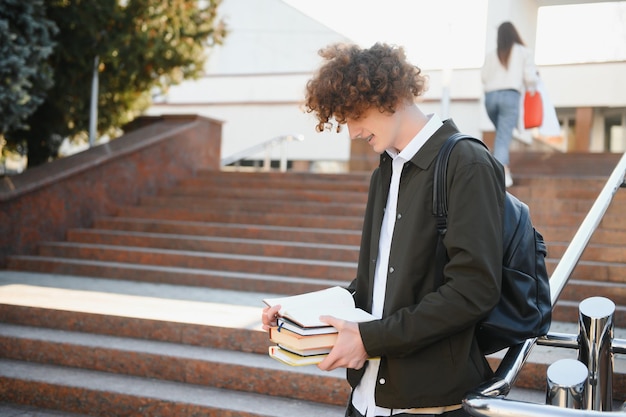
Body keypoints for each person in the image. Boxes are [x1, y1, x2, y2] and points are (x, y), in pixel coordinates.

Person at [262, 42, 505, 417]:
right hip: (366, 398)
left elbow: (474, 290)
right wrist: (300, 318)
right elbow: (374, 286)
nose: (352, 132)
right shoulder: (386, 171)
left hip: (429, 403)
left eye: (355, 114)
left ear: (391, 96)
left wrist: (369, 339)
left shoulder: (467, 163)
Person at [481, 21, 538, 187]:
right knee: (503, 138)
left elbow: (483, 77)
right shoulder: (523, 52)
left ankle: (499, 168)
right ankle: (501, 174)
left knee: (501, 135)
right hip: (510, 96)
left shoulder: (492, 54)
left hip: (490, 98)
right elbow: (530, 78)